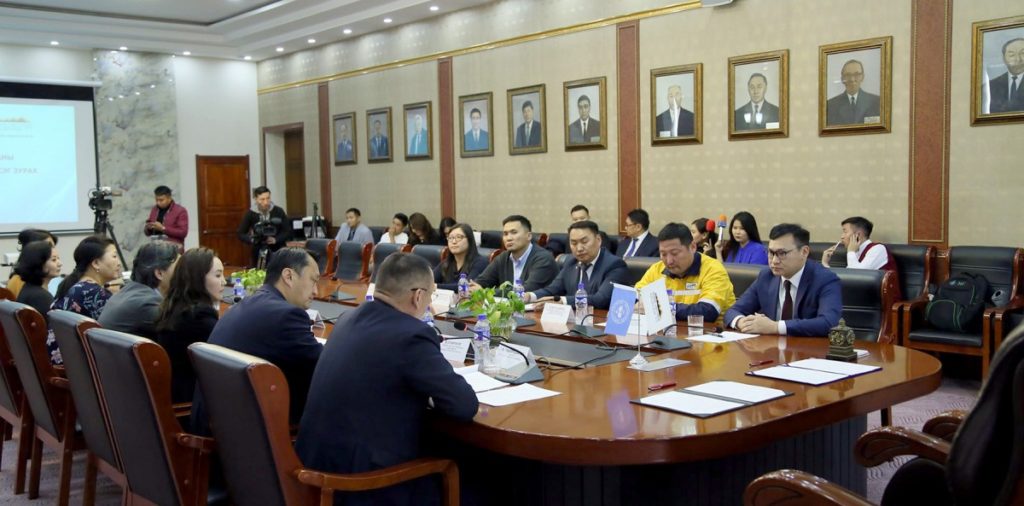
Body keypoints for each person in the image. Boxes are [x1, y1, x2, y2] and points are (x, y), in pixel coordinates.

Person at [296, 253, 477, 506]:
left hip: (312, 471)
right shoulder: (412, 335)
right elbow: (464, 405)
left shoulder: (347, 319)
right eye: (431, 295)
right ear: (418, 296)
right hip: (363, 486)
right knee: (479, 482)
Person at [193, 247, 323, 433]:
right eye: (313, 280)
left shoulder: (246, 304)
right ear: (289, 276)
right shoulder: (286, 316)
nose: (316, 291)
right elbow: (325, 368)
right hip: (247, 433)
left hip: (217, 424)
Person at [724, 223, 842, 337]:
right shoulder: (766, 276)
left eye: (782, 253)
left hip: (807, 348)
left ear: (804, 252)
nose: (774, 261)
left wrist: (776, 327)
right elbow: (732, 311)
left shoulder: (824, 279)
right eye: (771, 253)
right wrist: (741, 322)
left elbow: (830, 323)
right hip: (771, 347)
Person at [155, 247, 225, 404]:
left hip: (176, 391)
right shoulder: (199, 318)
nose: (224, 282)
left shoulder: (174, 307)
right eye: (218, 275)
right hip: (193, 400)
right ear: (198, 279)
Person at [634, 223, 736, 323]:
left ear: (693, 247)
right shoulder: (657, 269)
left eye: (675, 253)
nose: (669, 261)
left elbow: (708, 311)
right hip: (669, 330)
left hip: (711, 331)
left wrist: (660, 308)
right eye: (663, 254)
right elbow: (634, 297)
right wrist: (639, 303)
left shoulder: (713, 269)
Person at [525, 220, 628, 310]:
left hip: (600, 320)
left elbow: (600, 299)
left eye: (584, 242)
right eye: (574, 243)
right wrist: (530, 296)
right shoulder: (571, 261)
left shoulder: (615, 265)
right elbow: (553, 289)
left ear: (598, 240)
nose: (579, 248)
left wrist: (563, 301)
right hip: (573, 319)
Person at [50, 235, 122, 364]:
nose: (119, 263)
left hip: (64, 361)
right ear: (96, 263)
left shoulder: (77, 285)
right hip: (77, 366)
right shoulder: (94, 293)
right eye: (114, 256)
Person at [98, 242, 179, 338]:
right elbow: (179, 334)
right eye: (179, 267)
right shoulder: (149, 303)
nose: (182, 272)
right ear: (159, 273)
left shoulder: (129, 290)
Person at [471, 215, 558, 292]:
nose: (508, 238)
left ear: (529, 236)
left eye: (514, 232)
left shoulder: (543, 258)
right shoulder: (503, 257)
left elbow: (525, 290)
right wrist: (473, 288)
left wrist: (485, 291)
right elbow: (481, 282)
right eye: (505, 234)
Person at [822, 216, 901, 298]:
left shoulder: (878, 249)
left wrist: (851, 251)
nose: (842, 237)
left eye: (845, 232)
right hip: (861, 299)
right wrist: (825, 263)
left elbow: (855, 278)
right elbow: (845, 282)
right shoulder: (856, 251)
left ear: (858, 235)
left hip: (883, 302)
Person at [237, 186, 290, 267]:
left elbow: (287, 231)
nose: (266, 202)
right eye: (262, 199)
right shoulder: (250, 213)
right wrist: (252, 239)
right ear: (256, 199)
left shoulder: (278, 211)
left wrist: (276, 239)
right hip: (258, 251)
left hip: (278, 250)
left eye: (268, 198)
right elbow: (240, 233)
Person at [434, 223, 489, 291]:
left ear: (469, 240)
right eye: (450, 238)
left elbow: (467, 286)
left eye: (459, 237)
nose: (454, 242)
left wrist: (436, 286)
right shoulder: (446, 263)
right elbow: (429, 279)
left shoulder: (481, 262)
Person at [14, 240, 61, 317]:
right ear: (38, 263)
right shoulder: (40, 297)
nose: (60, 264)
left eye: (58, 258)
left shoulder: (29, 288)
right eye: (54, 260)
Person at [826, 59, 881, 125]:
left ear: (862, 77)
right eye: (848, 75)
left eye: (856, 74)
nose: (852, 79)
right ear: (842, 79)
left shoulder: (877, 102)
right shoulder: (830, 105)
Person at [5, 228, 57, 298]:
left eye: (53, 247)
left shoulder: (43, 279)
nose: (54, 251)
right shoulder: (20, 282)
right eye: (49, 247)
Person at [988, 37, 1024, 114]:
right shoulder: (991, 86)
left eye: (1023, 53)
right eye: (1012, 55)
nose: (1018, 59)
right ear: (1004, 58)